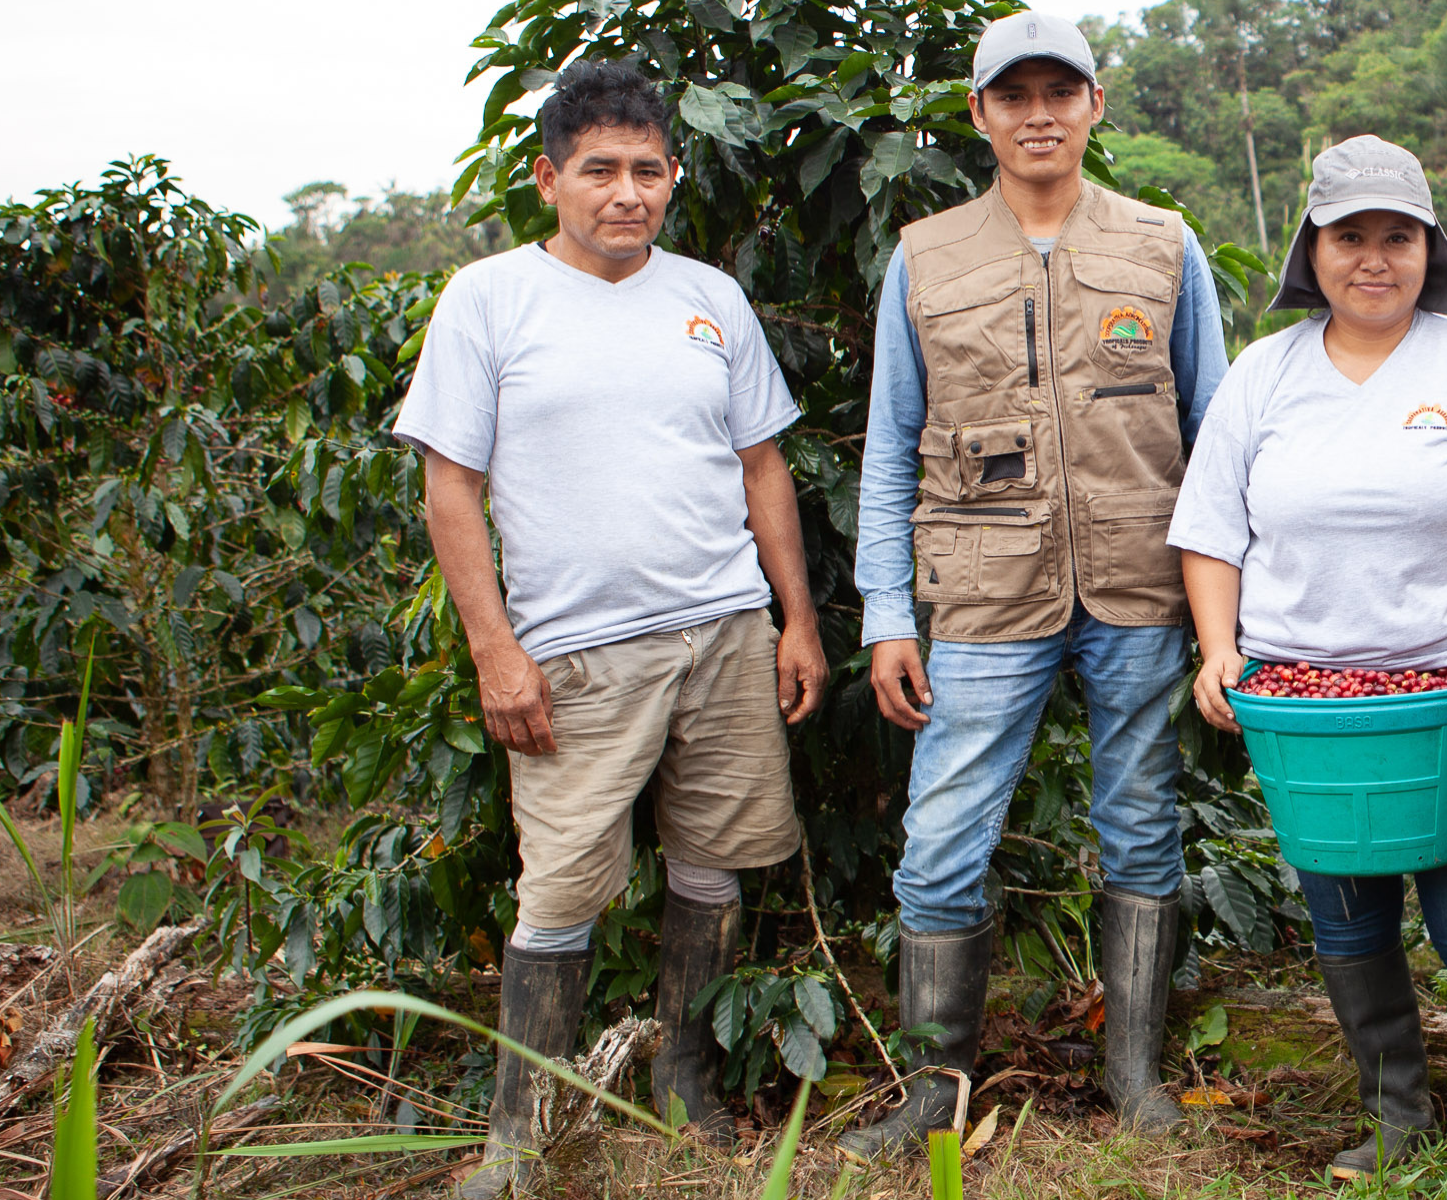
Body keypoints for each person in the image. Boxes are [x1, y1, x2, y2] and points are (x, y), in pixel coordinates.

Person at [392, 60, 828, 1198]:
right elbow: (451, 493)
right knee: (562, 886)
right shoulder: (488, 300)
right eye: (599, 171)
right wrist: (496, 651)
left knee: (713, 858)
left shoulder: (710, 298)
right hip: (577, 650)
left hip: (726, 629)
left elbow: (761, 467)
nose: (625, 192)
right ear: (549, 179)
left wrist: (795, 621)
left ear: (673, 177)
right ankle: (519, 1129)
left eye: (646, 170)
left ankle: (681, 1075)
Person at [839, 10, 1230, 1160]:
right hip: (979, 596)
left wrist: (1226, 608)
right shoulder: (925, 255)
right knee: (941, 837)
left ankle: (1135, 1075)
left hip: (1138, 584)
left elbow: (1215, 431)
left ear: (1095, 106)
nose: (1039, 114)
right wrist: (885, 613)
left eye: (1061, 91)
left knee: (1141, 825)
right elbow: (886, 445)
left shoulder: (1163, 244)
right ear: (980, 115)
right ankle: (931, 1095)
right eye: (1014, 96)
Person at [1169, 135, 1447, 1183]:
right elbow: (1210, 531)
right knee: (1346, 915)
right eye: (1351, 237)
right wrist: (1220, 652)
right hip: (1310, 706)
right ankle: (1395, 1114)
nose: (1374, 259)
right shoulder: (1266, 374)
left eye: (1398, 236)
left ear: (1429, 248)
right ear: (1315, 248)